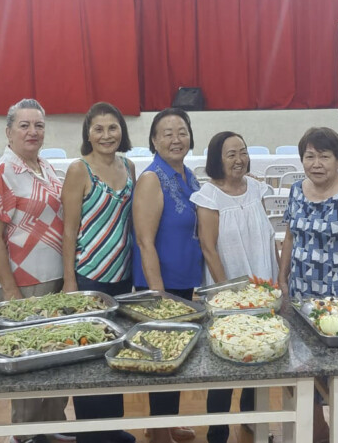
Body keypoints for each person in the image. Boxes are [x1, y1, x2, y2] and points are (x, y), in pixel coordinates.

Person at [276, 127, 338, 443]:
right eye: (309, 156)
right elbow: (290, 238)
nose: (316, 164)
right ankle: (318, 433)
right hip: (301, 295)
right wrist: (282, 278)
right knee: (304, 368)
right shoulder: (296, 190)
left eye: (324, 156)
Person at [0, 99, 67, 443]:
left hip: (56, 277)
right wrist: (10, 289)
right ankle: (24, 433)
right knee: (28, 357)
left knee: (59, 353)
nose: (33, 132)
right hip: (22, 282)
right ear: (9, 132)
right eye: (24, 125)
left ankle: (53, 424)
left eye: (39, 125)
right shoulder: (1, 174)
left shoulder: (47, 168)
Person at [190, 131, 275, 443]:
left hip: (261, 286)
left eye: (243, 152)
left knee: (260, 351)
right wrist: (229, 291)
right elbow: (208, 248)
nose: (239, 160)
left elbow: (266, 235)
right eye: (231, 154)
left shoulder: (257, 188)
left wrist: (276, 280)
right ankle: (218, 430)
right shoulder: (208, 196)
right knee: (224, 358)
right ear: (217, 159)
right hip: (226, 292)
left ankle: (252, 419)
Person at [61, 102, 137, 443]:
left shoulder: (129, 166)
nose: (107, 135)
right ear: (88, 135)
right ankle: (89, 434)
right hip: (89, 275)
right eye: (99, 129)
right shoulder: (79, 170)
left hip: (122, 274)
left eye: (113, 128)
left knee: (116, 349)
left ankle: (111, 428)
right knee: (90, 353)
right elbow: (68, 230)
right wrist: (69, 280)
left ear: (122, 131)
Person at [132, 107, 204, 443]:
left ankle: (165, 422)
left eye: (182, 132)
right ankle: (160, 432)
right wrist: (158, 295)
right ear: (154, 140)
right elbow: (144, 241)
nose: (176, 139)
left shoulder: (188, 175)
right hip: (161, 285)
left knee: (177, 354)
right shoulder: (152, 179)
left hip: (185, 280)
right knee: (161, 358)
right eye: (167, 133)